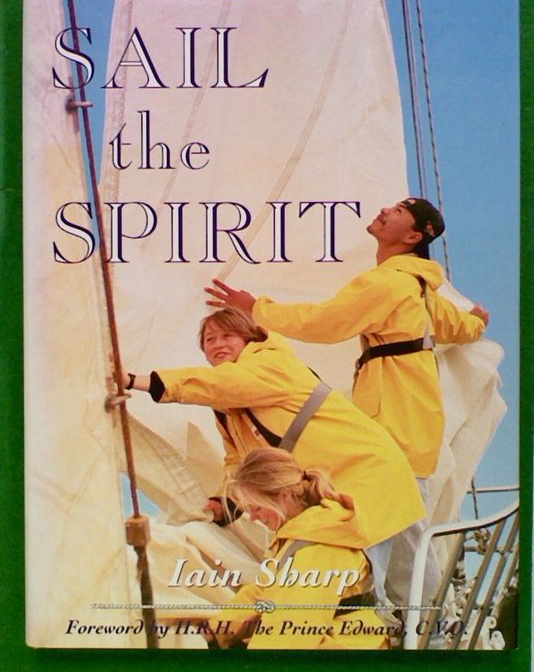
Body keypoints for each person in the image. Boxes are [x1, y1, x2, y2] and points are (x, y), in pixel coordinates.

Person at [204, 197, 489, 604]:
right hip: (412, 414)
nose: (386, 210)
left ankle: (416, 618)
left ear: (412, 236)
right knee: (401, 519)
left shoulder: (388, 283)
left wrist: (255, 308)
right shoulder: (415, 285)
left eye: (399, 211)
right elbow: (451, 324)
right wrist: (476, 322)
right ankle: (422, 617)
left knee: (386, 519)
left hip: (395, 417)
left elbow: (325, 321)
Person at [122, 307, 424, 599]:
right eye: (209, 340)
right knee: (389, 575)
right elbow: (239, 460)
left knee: (377, 576)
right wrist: (225, 502)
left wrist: (139, 382)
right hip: (341, 484)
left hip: (368, 472)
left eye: (228, 336)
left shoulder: (271, 363)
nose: (217, 344)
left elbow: (221, 383)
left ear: (248, 339)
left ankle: (419, 629)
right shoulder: (229, 403)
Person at [204, 447, 393, 650]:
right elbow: (262, 592)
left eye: (257, 508)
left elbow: (291, 631)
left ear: (284, 495)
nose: (253, 518)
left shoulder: (317, 548)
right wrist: (216, 630)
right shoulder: (305, 530)